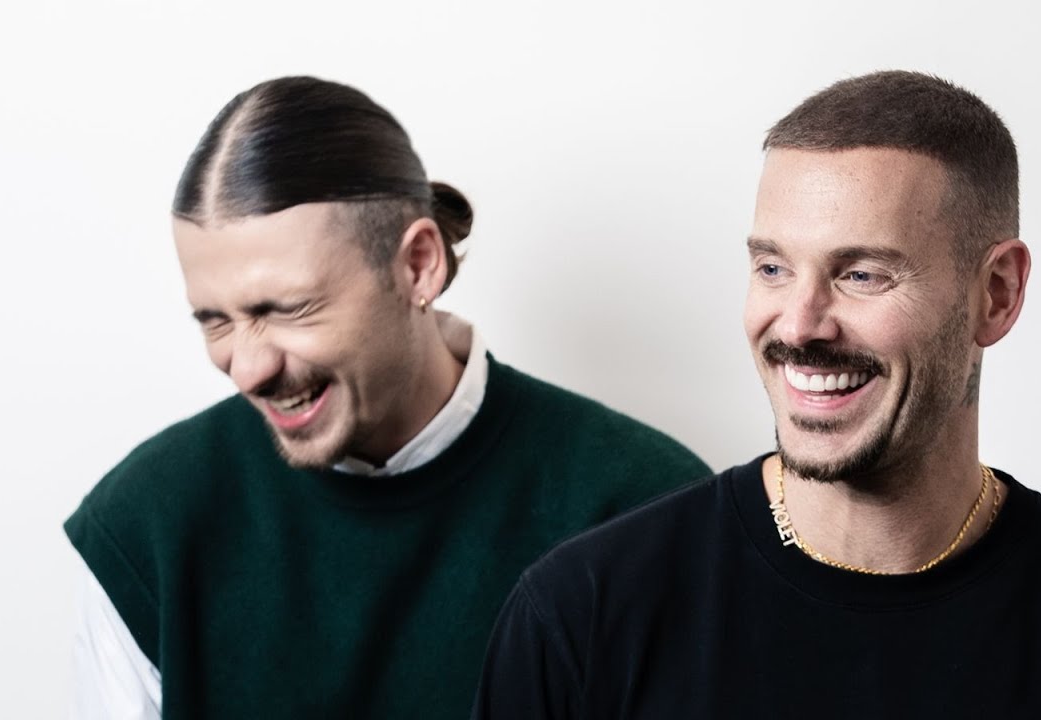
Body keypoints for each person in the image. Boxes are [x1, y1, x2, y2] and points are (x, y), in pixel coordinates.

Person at [472, 70, 1041, 718]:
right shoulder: (583, 613)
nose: (798, 325)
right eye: (772, 268)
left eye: (861, 274)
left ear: (997, 294)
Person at [63, 75, 710, 719]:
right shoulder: (146, 524)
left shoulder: (649, 512)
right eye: (216, 322)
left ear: (418, 265)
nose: (249, 369)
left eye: (288, 309)